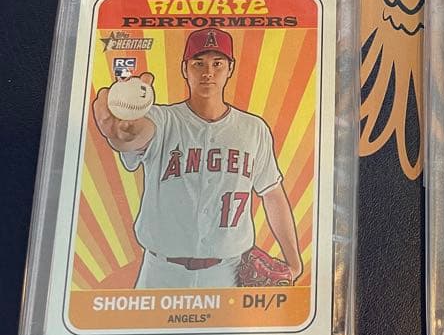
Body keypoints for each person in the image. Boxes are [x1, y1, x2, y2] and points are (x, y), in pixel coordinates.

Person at [92, 27, 302, 290]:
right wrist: (123, 132)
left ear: (230, 68)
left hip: (228, 273)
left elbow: (272, 193)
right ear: (185, 69)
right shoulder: (162, 119)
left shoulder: (254, 129)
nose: (208, 72)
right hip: (160, 273)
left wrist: (294, 263)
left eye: (217, 63)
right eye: (198, 63)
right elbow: (136, 134)